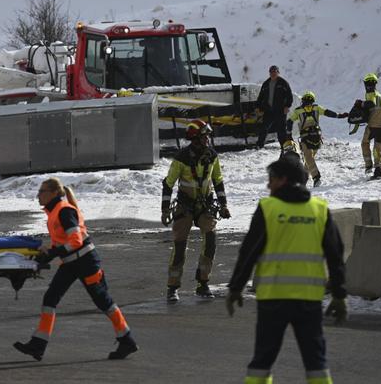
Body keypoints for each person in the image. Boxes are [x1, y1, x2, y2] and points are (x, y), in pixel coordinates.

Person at [226, 156, 347, 384]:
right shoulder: (319, 210)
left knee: (262, 361)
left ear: (283, 180)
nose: (267, 185)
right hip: (309, 301)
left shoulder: (268, 208)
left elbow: (249, 252)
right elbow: (335, 255)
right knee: (316, 363)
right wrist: (340, 295)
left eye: (270, 179)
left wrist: (235, 288)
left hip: (273, 299)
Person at [13, 178, 138, 361]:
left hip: (86, 261)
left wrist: (53, 253)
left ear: (54, 193)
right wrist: (47, 251)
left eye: (42, 191)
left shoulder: (64, 211)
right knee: (50, 298)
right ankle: (38, 344)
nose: (38, 195)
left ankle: (127, 340)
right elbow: (62, 241)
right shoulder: (55, 212)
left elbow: (76, 240)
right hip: (71, 263)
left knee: (102, 300)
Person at [161, 120, 231, 302]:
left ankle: (203, 283)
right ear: (195, 138)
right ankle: (173, 287)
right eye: (204, 136)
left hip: (205, 206)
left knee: (211, 241)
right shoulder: (181, 158)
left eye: (208, 136)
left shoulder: (212, 156)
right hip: (185, 207)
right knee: (179, 245)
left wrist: (224, 205)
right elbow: (168, 184)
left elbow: (218, 181)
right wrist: (164, 209)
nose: (207, 139)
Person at [285, 91, 348, 187]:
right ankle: (304, 180)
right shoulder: (317, 108)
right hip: (316, 138)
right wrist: (340, 115)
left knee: (308, 158)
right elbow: (328, 112)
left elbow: (289, 122)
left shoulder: (298, 111)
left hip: (306, 138)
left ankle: (316, 178)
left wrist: (289, 135)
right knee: (309, 158)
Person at [359, 73, 381, 179]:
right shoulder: (379, 95)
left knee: (364, 143)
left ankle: (368, 166)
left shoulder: (370, 93)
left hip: (373, 126)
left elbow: (370, 104)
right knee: (377, 149)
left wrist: (361, 104)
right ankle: (378, 170)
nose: (368, 85)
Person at [255, 65, 294, 149]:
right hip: (268, 110)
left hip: (280, 110)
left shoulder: (283, 83)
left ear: (278, 73)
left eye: (275, 72)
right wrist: (258, 107)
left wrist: (287, 106)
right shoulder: (266, 84)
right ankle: (259, 145)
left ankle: (283, 146)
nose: (273, 74)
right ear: (269, 73)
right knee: (264, 128)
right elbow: (260, 97)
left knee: (281, 130)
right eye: (271, 72)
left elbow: (289, 96)